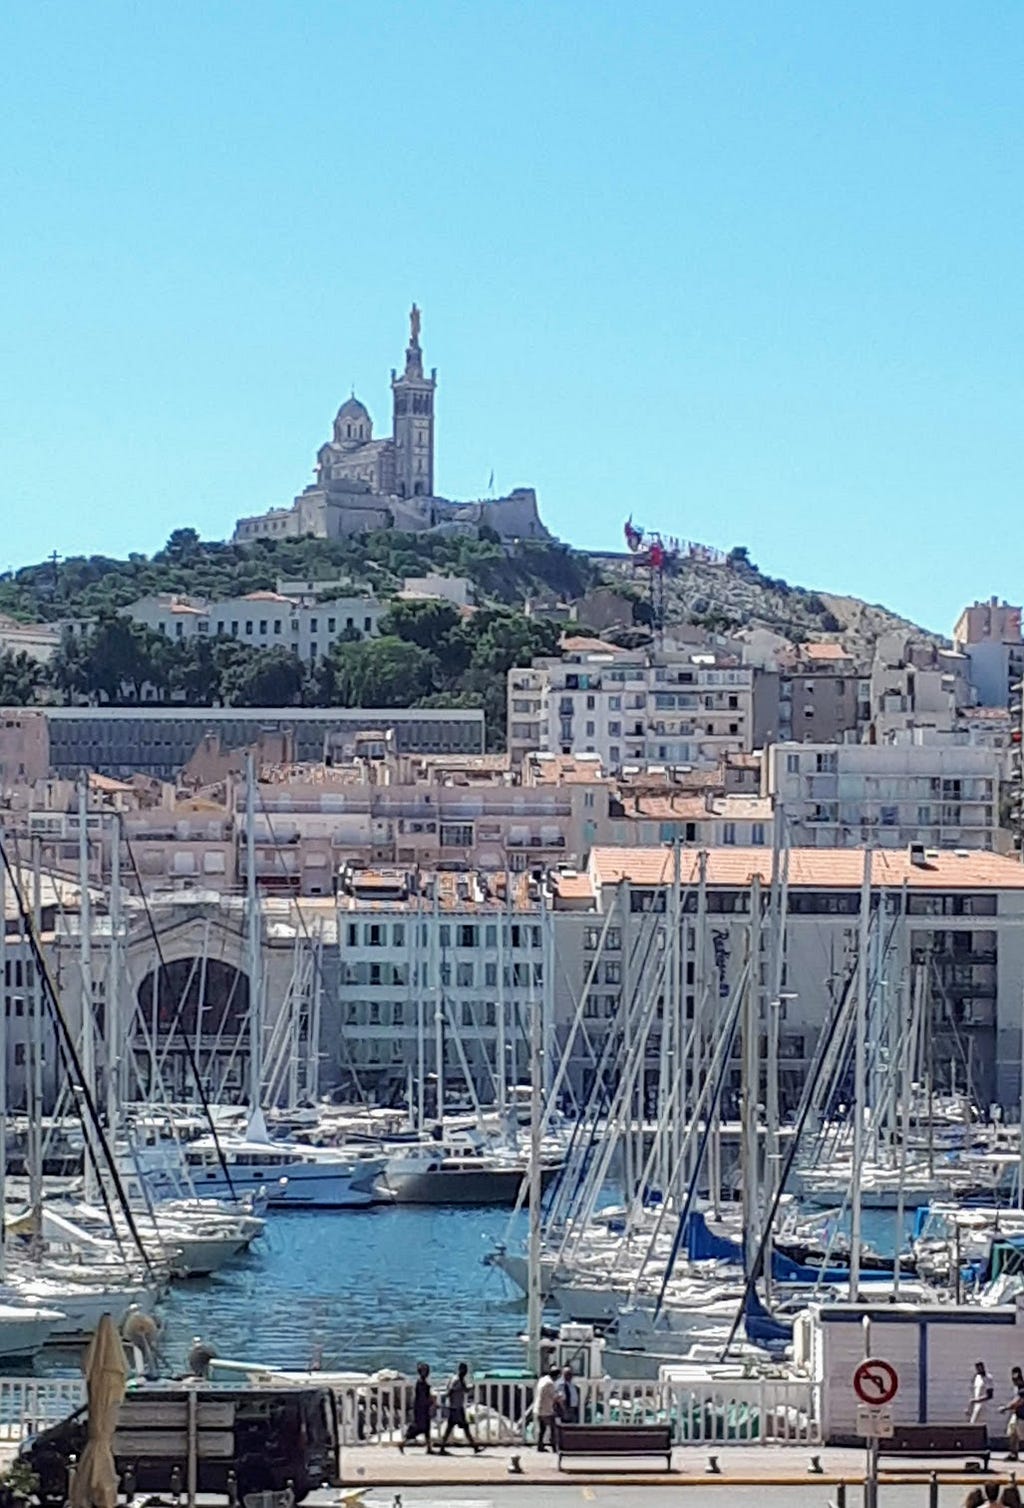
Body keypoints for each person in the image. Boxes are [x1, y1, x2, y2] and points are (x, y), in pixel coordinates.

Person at [440, 1361, 482, 1454]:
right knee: (462, 1428)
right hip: (456, 1408)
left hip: (457, 1407)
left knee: (451, 1428)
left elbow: (465, 1390)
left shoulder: (460, 1379)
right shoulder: (457, 1380)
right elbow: (450, 1391)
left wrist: (472, 1387)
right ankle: (474, 1447)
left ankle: (442, 1447)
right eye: (464, 1370)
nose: (465, 1372)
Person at [398, 1362, 434, 1453]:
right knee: (419, 1428)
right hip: (421, 1409)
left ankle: (429, 1447)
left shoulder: (423, 1382)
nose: (427, 1373)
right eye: (425, 1371)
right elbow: (422, 1397)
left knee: (427, 1428)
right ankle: (403, 1443)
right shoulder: (421, 1383)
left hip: (423, 1408)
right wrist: (429, 1402)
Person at [999, 1366, 1024, 1460]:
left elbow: (1017, 1402)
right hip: (1016, 1415)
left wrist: (1005, 1408)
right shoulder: (1017, 1388)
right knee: (1013, 1433)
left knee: (1021, 1434)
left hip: (1022, 1417)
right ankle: (1013, 1453)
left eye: (1016, 1380)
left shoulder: (1022, 1390)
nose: (1014, 1381)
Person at [534, 1365, 559, 1451]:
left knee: (542, 1429)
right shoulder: (550, 1383)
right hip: (546, 1409)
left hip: (538, 1407)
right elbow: (554, 1396)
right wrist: (560, 1395)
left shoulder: (542, 1380)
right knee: (553, 1428)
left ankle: (540, 1446)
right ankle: (554, 1446)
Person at [968, 1359, 995, 1425]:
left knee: (975, 1423)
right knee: (971, 1422)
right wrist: (970, 1406)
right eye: (977, 1367)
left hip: (983, 1404)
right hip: (975, 1404)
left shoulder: (988, 1378)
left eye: (980, 1367)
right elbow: (974, 1392)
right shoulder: (977, 1377)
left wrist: (977, 1400)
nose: (978, 1369)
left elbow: (990, 1395)